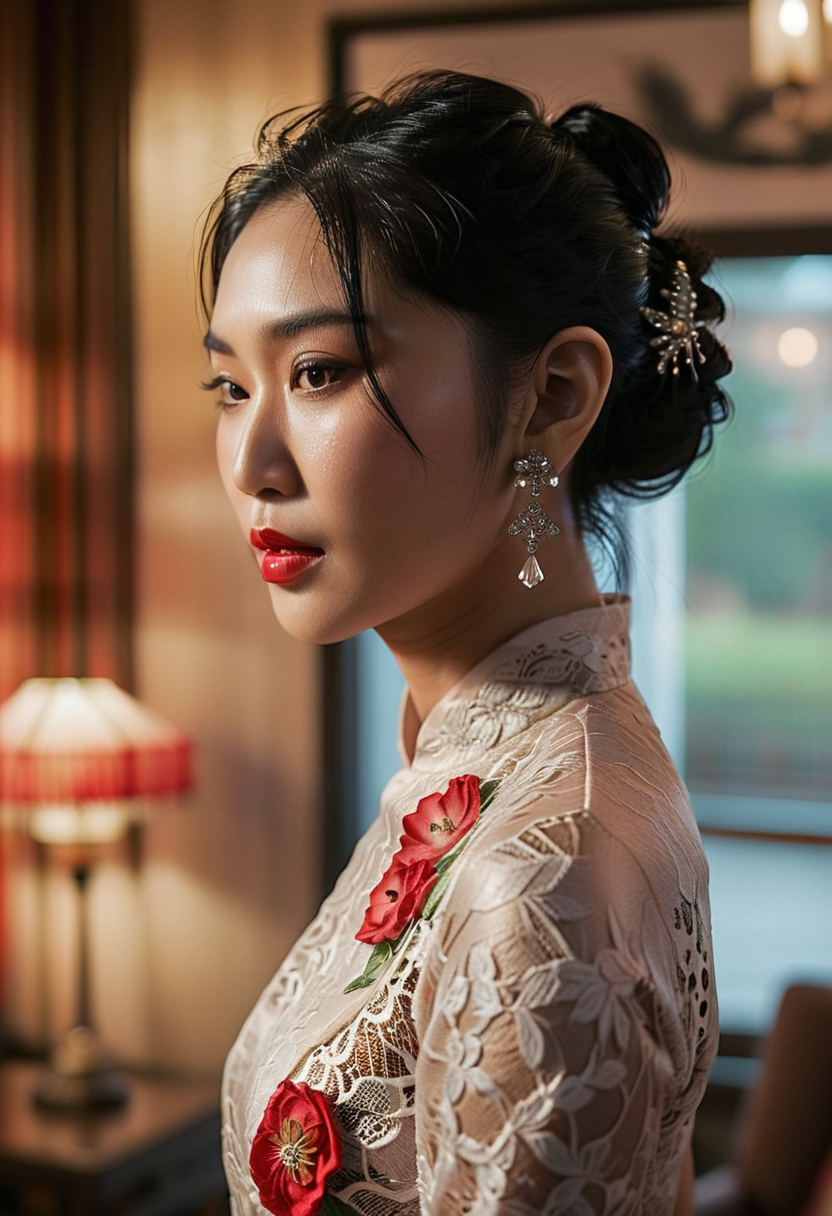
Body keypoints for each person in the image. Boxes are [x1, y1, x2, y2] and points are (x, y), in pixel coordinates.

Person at [199, 70, 732, 1216]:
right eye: (229, 386)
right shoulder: (503, 764)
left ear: (552, 396)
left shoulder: (537, 873)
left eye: (320, 371)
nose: (251, 462)